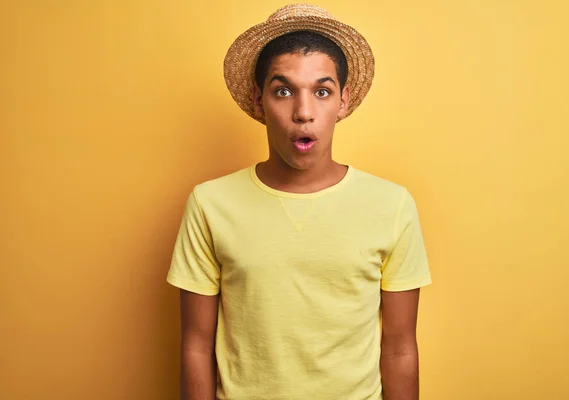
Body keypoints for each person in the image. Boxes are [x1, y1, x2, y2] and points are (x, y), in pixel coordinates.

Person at [166, 4, 432, 400]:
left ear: (343, 101)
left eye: (322, 92)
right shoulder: (210, 204)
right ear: (259, 102)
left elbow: (399, 348)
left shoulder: (391, 204)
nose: (303, 113)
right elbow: (196, 346)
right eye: (283, 90)